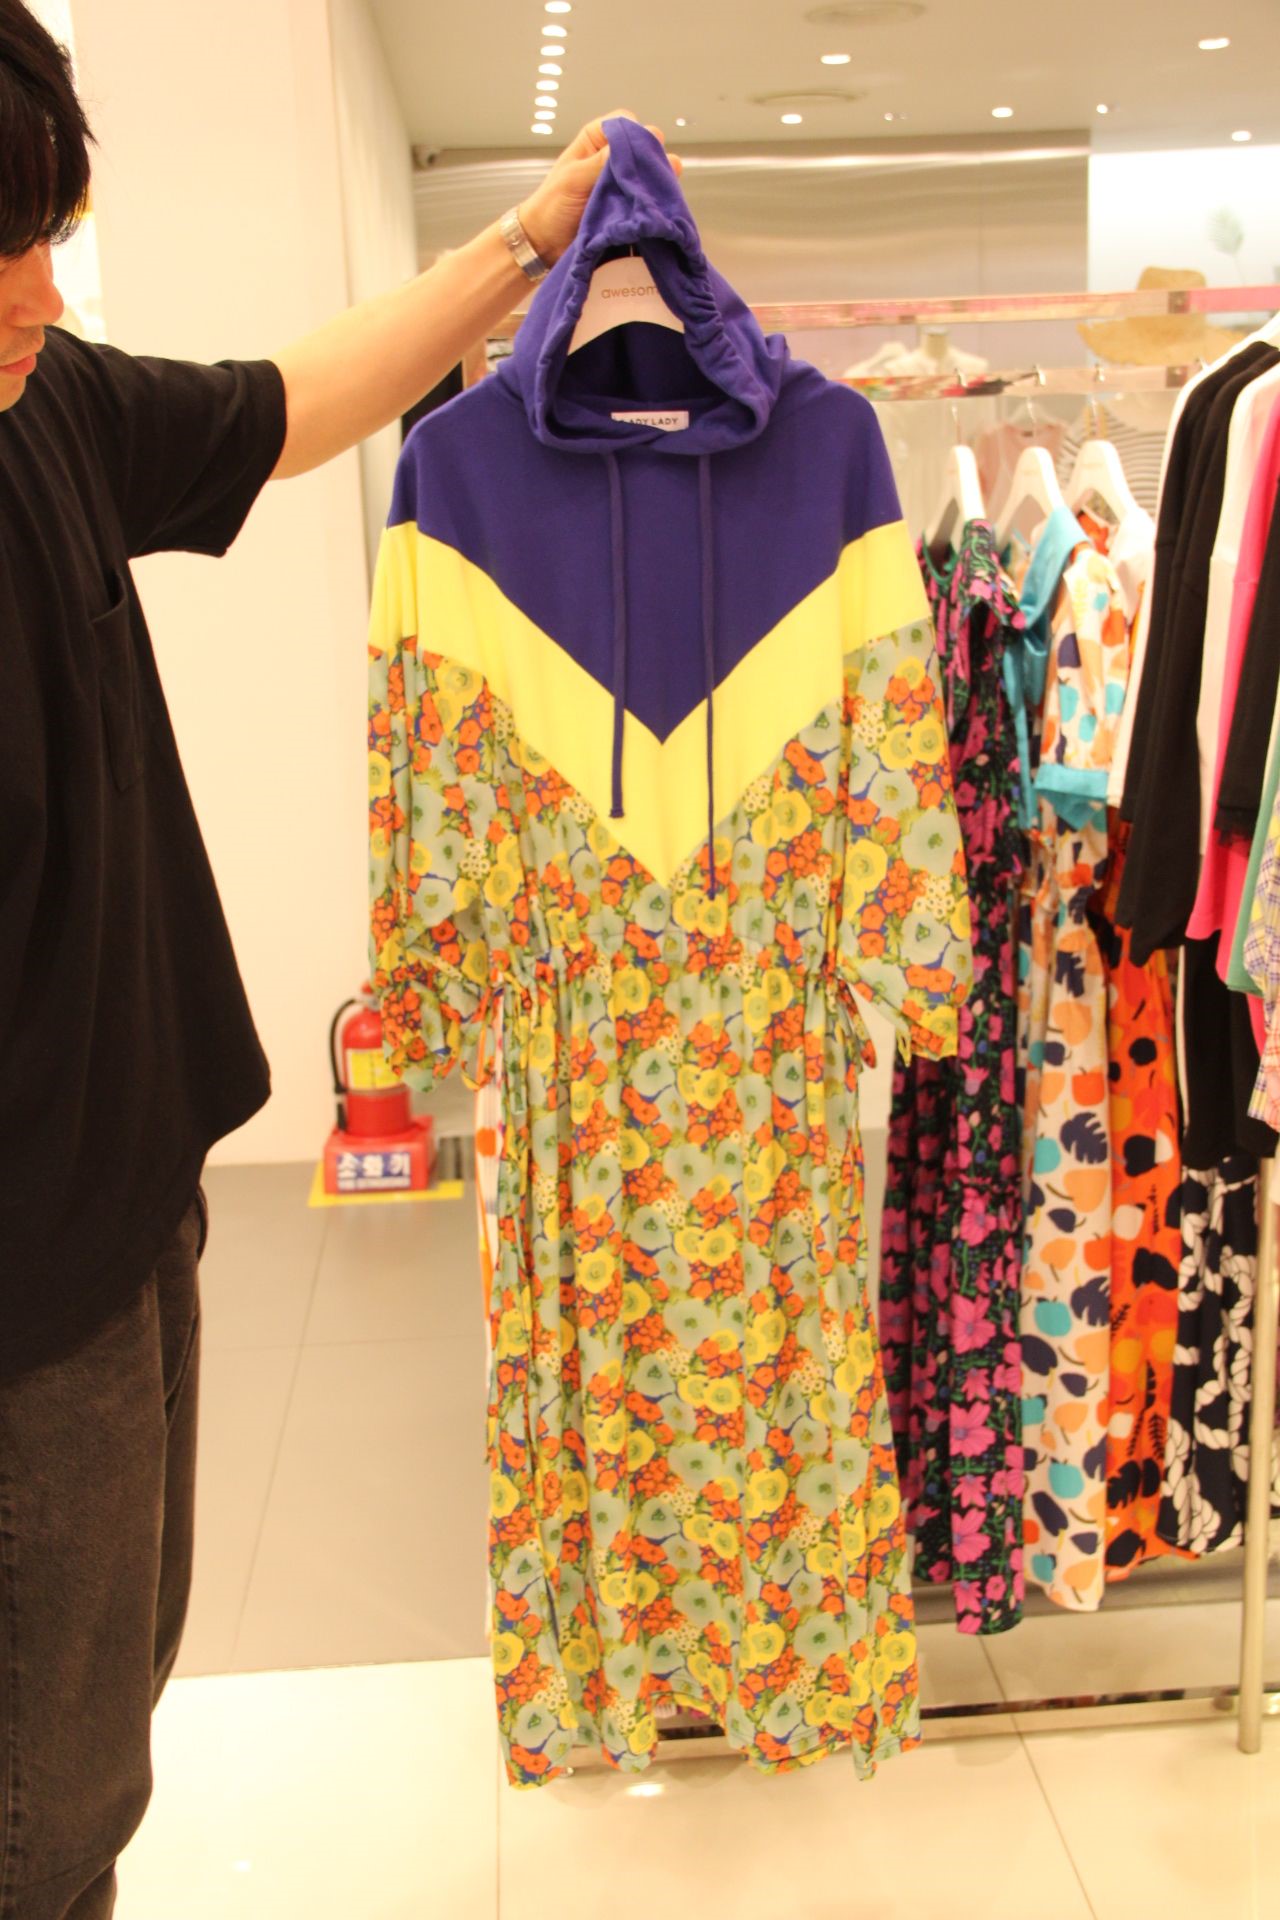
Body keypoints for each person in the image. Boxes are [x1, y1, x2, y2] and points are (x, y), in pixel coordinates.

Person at [0, 2, 679, 1910]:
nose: (40, 291)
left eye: (47, 231)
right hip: (22, 1290)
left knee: (97, 1733)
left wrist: (533, 237)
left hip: (136, 1196)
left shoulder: (45, 408)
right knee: (42, 1807)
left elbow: (287, 406)